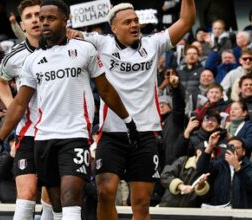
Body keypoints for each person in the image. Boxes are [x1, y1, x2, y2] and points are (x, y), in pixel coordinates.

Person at [0, 1, 138, 219]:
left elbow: (105, 90)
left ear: (66, 20)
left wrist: (128, 120)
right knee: (56, 204)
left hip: (75, 136)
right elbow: (20, 103)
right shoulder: (32, 60)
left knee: (70, 199)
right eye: (42, 18)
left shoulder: (85, 49)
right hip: (43, 139)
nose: (44, 22)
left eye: (51, 18)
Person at [68, 0, 196, 219]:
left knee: (141, 202)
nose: (134, 25)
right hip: (111, 133)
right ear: (114, 28)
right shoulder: (101, 43)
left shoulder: (153, 43)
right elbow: (67, 32)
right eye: (127, 22)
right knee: (105, 192)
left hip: (145, 134)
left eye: (136, 20)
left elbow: (186, 21)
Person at [0, 0, 53, 219]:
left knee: (50, 196)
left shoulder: (63, 47)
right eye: (29, 16)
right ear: (21, 25)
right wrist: (12, 107)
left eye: (39, 14)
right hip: (27, 132)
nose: (35, 20)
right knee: (26, 195)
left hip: (56, 131)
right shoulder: (15, 55)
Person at [197, 135, 252, 208]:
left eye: (237, 148)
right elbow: (201, 169)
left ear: (244, 152)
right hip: (220, 209)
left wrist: (237, 167)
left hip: (242, 210)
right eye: (230, 147)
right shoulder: (219, 164)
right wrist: (210, 146)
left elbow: (251, 185)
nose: (234, 150)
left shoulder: (250, 167)